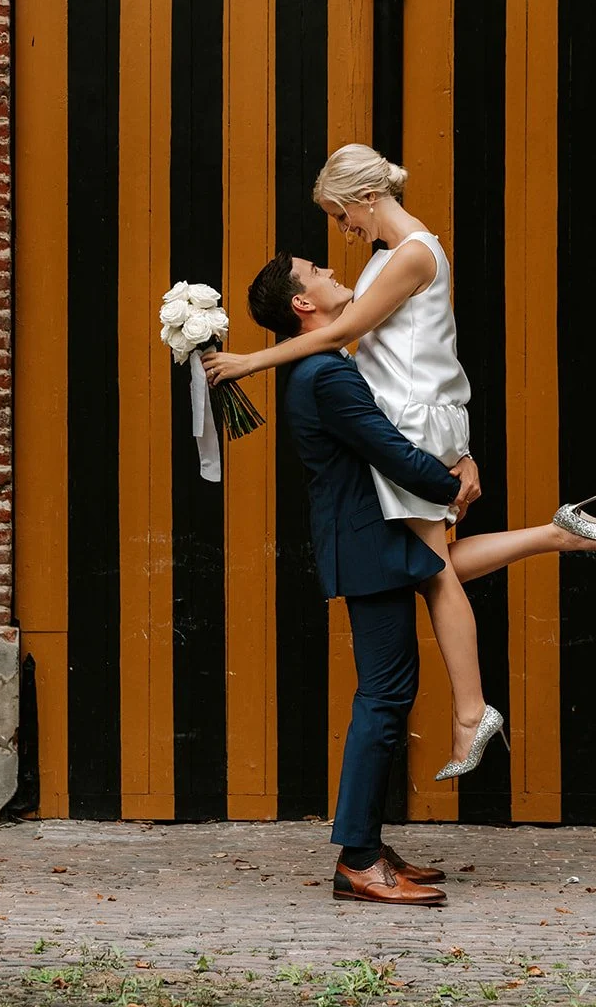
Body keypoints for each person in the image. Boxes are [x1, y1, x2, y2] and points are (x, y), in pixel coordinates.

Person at [206, 145, 596, 779]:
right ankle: (558, 534)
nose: (342, 230)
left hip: (408, 420)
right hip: (423, 415)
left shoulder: (411, 255)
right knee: (425, 565)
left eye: (338, 214)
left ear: (364, 199)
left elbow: (333, 334)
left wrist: (248, 363)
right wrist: (459, 448)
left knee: (432, 572)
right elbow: (422, 351)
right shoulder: (389, 258)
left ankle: (472, 713)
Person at [241, 252, 477, 904]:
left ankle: (367, 842)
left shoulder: (321, 365)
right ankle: (359, 859)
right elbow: (388, 449)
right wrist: (450, 483)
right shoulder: (323, 372)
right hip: (369, 544)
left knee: (387, 696)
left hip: (370, 542)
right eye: (315, 270)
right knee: (383, 698)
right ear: (302, 304)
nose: (329, 270)